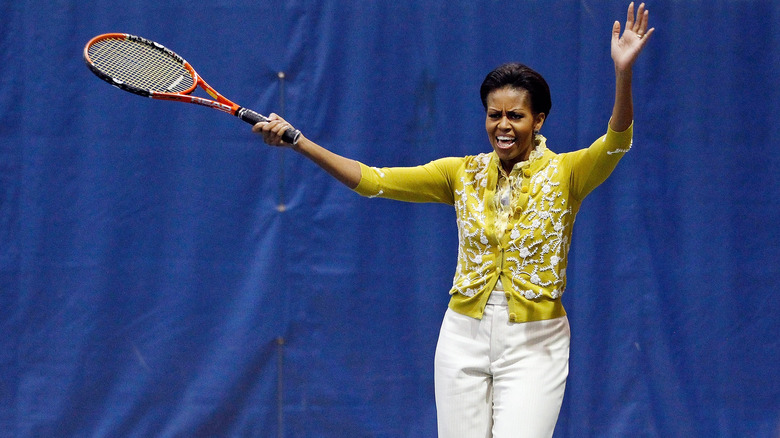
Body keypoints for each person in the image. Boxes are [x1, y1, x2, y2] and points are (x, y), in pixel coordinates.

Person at [254, 3, 653, 437]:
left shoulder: (567, 173)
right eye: (494, 114)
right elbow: (372, 180)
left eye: (515, 115)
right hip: (462, 336)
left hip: (537, 344)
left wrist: (623, 73)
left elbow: (617, 140)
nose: (503, 125)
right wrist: (300, 142)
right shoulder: (461, 173)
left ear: (538, 120)